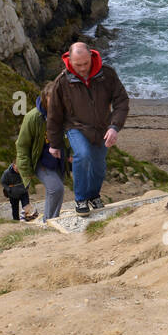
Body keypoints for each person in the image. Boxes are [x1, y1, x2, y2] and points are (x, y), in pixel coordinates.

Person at [46, 41, 130, 217]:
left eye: (86, 63)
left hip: (102, 128)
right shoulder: (62, 81)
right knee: (83, 155)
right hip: (75, 126)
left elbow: (121, 101)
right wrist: (54, 144)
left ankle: (93, 195)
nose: (83, 68)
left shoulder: (107, 74)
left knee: (99, 165)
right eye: (78, 65)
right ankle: (81, 199)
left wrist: (114, 127)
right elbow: (54, 114)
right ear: (69, 60)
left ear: (91, 57)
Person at [16, 82, 66, 222]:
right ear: (45, 99)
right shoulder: (33, 117)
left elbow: (71, 136)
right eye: (52, 101)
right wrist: (26, 171)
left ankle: (51, 221)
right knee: (56, 189)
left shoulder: (64, 114)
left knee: (56, 192)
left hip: (59, 160)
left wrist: (73, 154)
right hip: (40, 160)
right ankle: (50, 222)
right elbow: (22, 145)